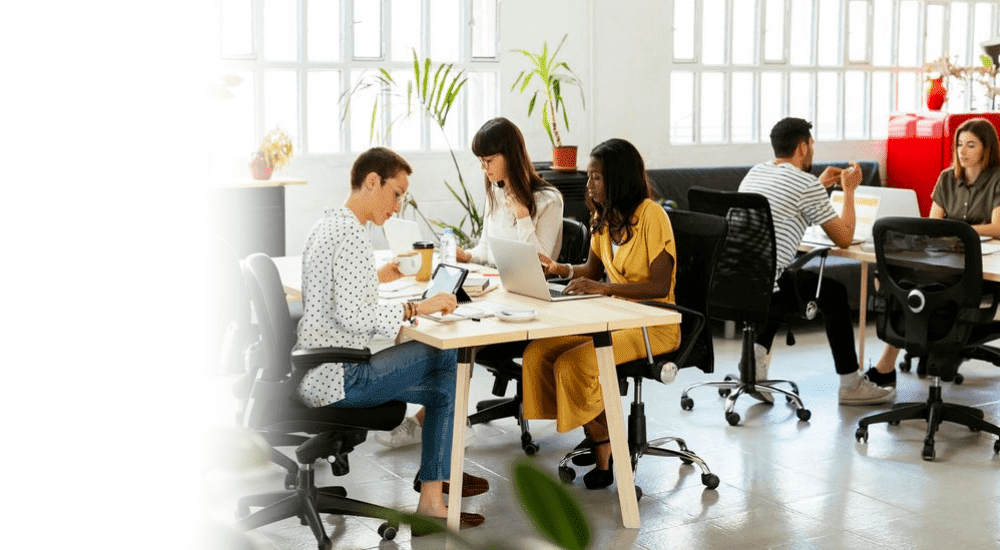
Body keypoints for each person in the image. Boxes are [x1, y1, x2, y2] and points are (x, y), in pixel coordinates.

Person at [294, 147, 484, 529]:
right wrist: (418, 308)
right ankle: (432, 491)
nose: (397, 206)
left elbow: (338, 300)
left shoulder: (328, 225)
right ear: (371, 182)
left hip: (316, 371)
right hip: (344, 379)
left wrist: (375, 278)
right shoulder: (352, 236)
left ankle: (433, 493)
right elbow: (355, 316)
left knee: (445, 385)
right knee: (452, 356)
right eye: (396, 193)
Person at [376, 116, 565, 449]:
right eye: (481, 162)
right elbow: (488, 249)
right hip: (497, 293)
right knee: (438, 316)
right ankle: (438, 415)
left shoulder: (549, 199)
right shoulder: (497, 191)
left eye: (489, 160)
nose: (485, 169)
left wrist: (523, 218)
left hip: (529, 305)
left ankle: (431, 421)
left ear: (510, 155)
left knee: (459, 335)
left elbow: (543, 264)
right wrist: (467, 256)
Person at [520, 138, 680, 490]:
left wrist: (606, 289)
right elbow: (591, 271)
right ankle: (602, 441)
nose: (589, 184)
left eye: (596, 177)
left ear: (619, 178)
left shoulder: (653, 216)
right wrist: (557, 269)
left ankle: (607, 455)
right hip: (616, 315)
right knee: (540, 353)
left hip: (656, 323)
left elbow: (657, 285)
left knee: (577, 364)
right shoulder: (604, 216)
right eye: (590, 177)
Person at [738, 117, 894, 406]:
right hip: (766, 287)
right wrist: (849, 191)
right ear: (802, 148)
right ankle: (850, 384)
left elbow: (790, 205)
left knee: (781, 276)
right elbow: (845, 237)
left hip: (737, 279)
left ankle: (755, 363)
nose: (812, 150)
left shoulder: (755, 173)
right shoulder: (804, 183)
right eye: (811, 145)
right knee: (833, 293)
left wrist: (819, 185)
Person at [870, 117, 1000, 385]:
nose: (962, 151)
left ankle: (891, 363)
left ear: (986, 149)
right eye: (959, 144)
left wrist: (961, 232)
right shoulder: (946, 178)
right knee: (903, 283)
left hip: (981, 266)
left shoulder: (998, 178)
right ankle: (888, 363)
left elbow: (997, 228)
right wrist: (952, 235)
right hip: (944, 258)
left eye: (971, 145)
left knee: (922, 287)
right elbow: (933, 225)